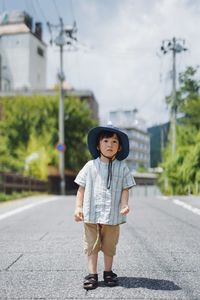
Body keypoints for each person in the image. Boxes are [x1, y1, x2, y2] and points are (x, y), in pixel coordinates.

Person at [74, 124, 136, 290]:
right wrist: (78, 207)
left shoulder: (122, 167)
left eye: (114, 142)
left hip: (112, 215)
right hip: (91, 214)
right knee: (91, 245)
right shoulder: (90, 166)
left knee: (109, 246)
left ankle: (108, 272)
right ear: (98, 145)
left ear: (120, 147)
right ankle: (92, 274)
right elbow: (81, 188)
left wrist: (124, 204)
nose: (110, 145)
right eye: (106, 141)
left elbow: (125, 188)